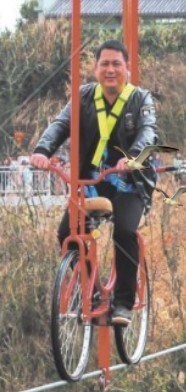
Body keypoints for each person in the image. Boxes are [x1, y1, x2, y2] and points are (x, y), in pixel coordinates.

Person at [30, 39, 157, 326]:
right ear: (96, 68)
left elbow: (149, 132)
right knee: (67, 235)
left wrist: (134, 157)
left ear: (127, 67)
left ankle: (124, 303)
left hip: (129, 182)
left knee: (124, 232)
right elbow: (61, 125)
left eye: (116, 64)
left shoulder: (140, 100)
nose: (110, 69)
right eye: (105, 64)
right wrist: (42, 150)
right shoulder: (84, 97)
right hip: (92, 181)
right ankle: (89, 290)